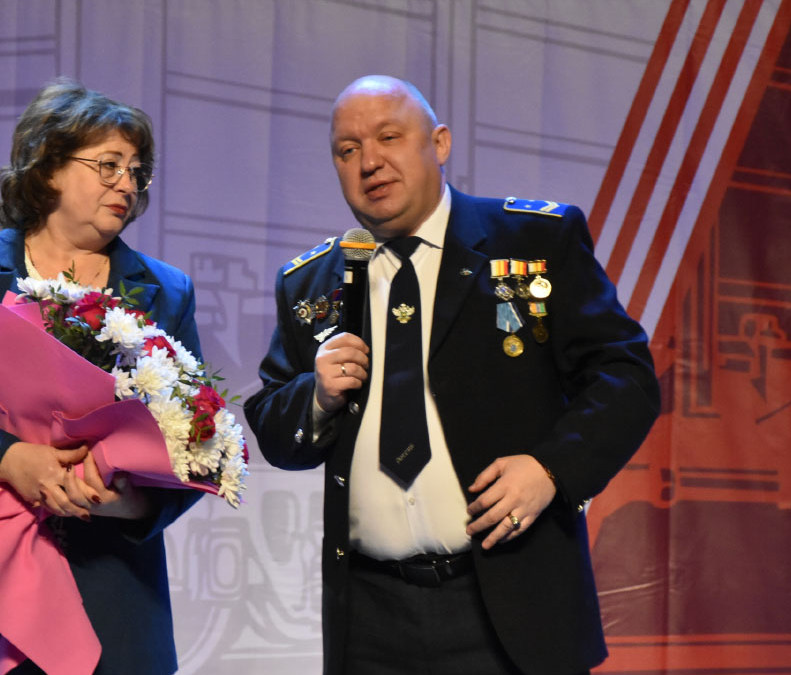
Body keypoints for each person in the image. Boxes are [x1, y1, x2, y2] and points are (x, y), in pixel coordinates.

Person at [244, 75, 660, 674]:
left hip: (508, 603)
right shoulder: (311, 282)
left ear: (439, 143)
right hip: (369, 615)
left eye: (389, 137)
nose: (369, 162)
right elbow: (273, 426)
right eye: (347, 150)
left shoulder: (534, 239)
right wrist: (316, 398)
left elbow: (626, 375)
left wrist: (552, 469)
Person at [0, 78, 202, 675]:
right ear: (49, 167)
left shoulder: (168, 291)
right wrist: (9, 458)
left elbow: (194, 447)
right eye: (108, 165)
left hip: (112, 597)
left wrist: (130, 505)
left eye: (137, 172)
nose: (127, 184)